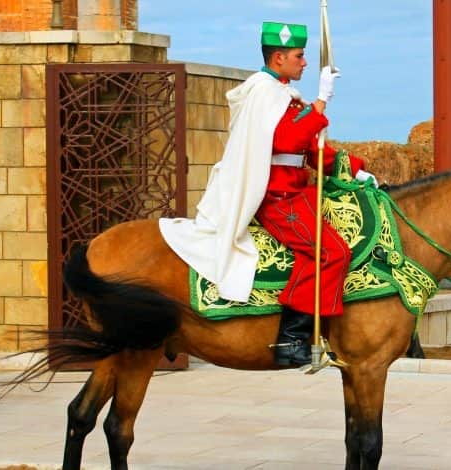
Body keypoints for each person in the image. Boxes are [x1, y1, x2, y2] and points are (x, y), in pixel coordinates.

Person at [159, 21, 375, 366]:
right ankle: (291, 338)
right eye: (299, 56)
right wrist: (319, 103)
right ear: (278, 58)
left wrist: (354, 167)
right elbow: (286, 142)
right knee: (331, 251)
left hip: (295, 192)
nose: (304, 62)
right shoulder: (262, 91)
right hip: (276, 198)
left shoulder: (284, 94)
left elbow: (307, 147)